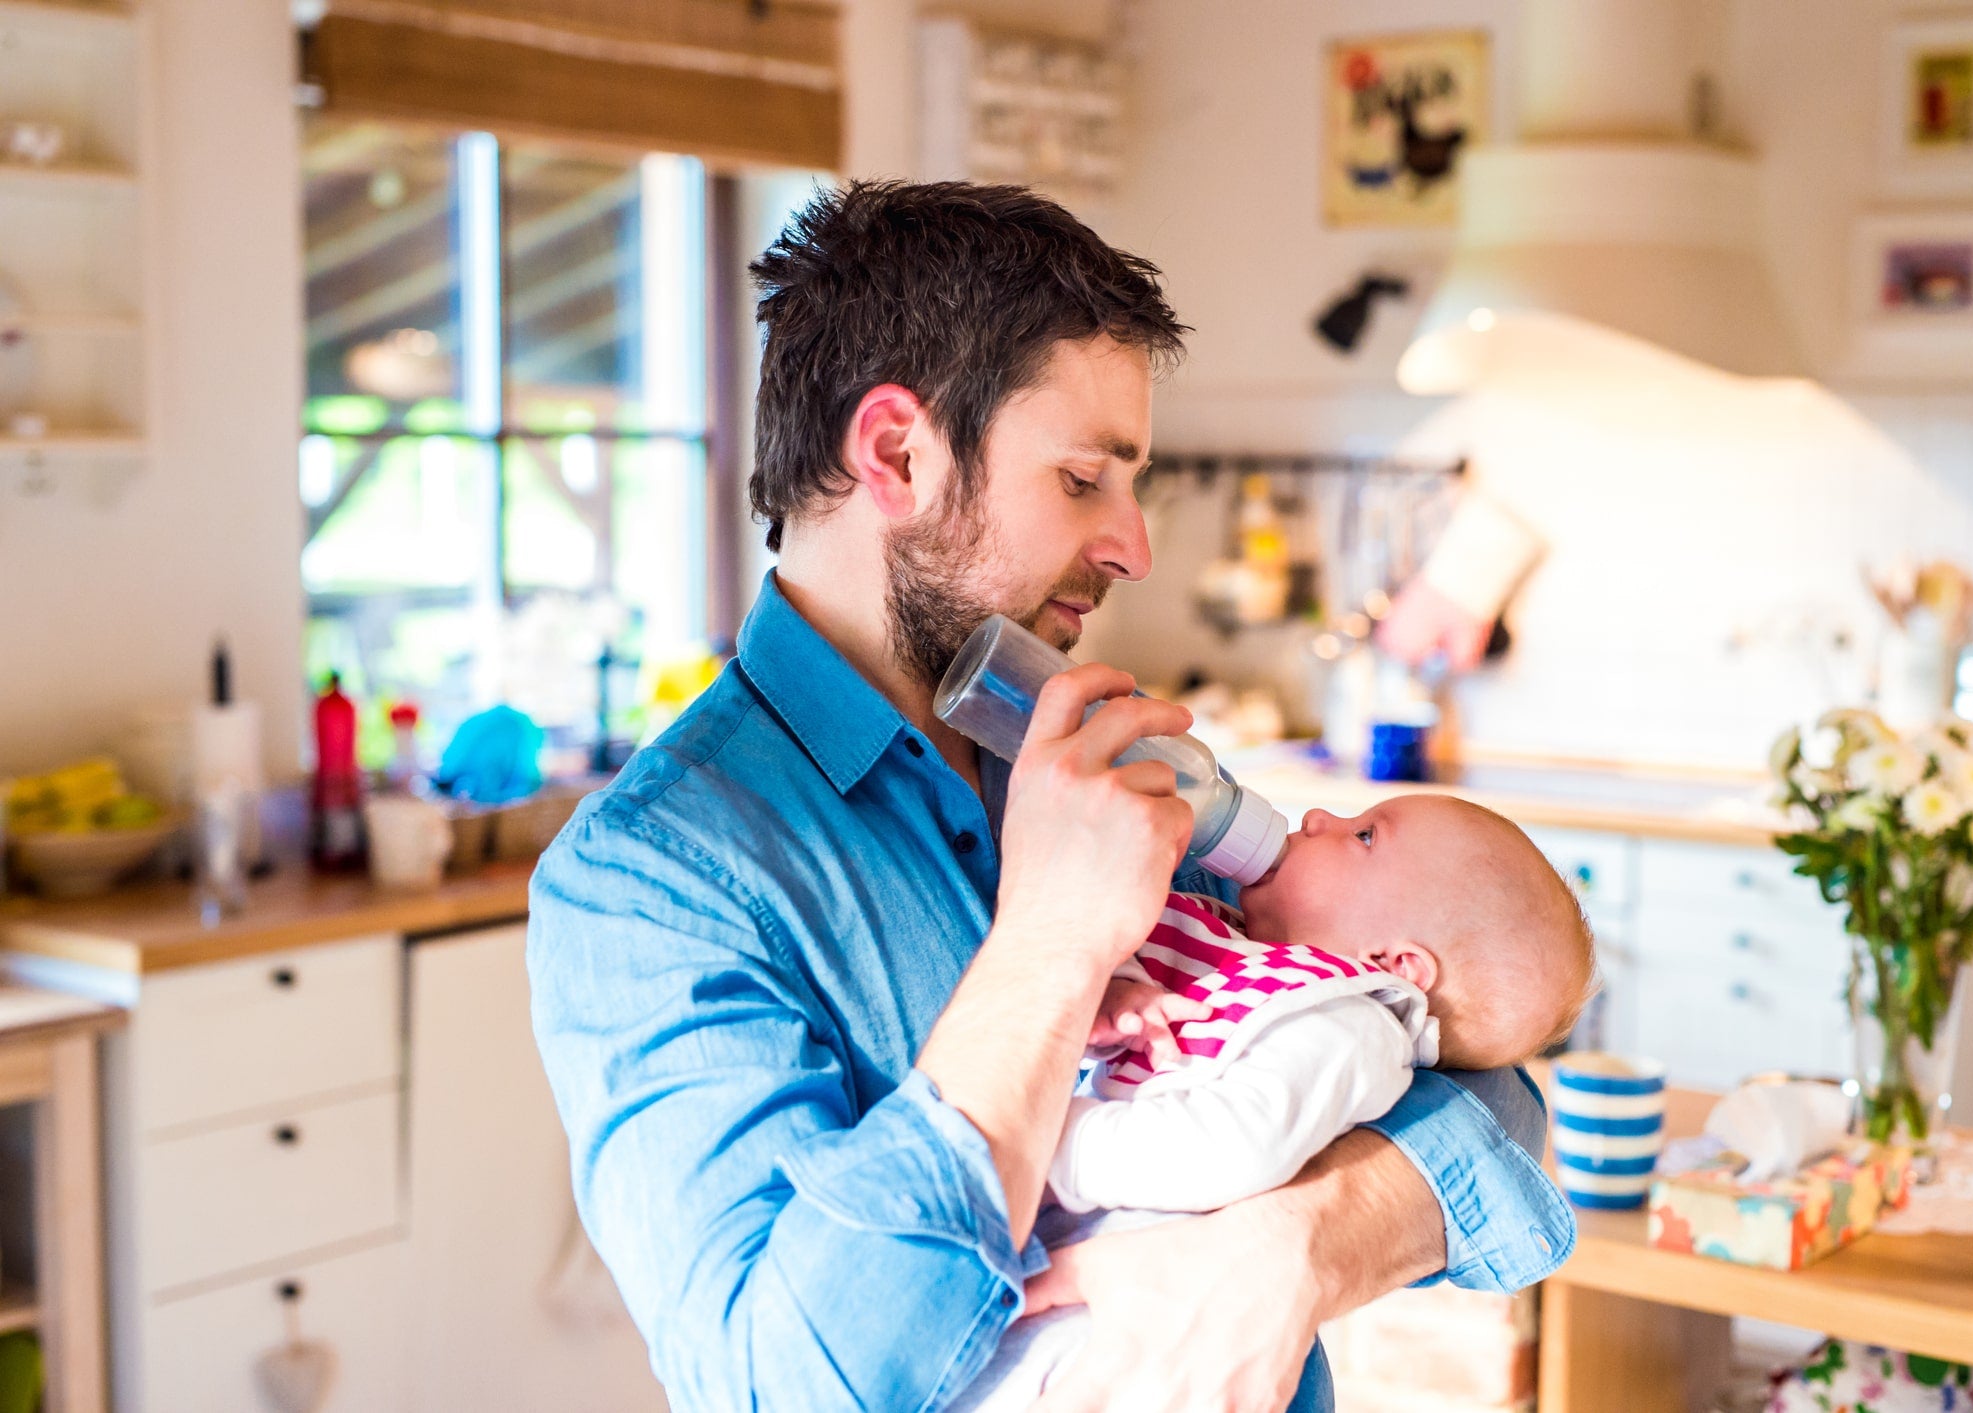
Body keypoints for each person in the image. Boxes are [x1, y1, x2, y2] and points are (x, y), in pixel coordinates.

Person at [527, 180, 1575, 1413]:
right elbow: (781, 1383)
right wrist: (1050, 947)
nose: (1133, 545)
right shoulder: (653, 879)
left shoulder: (1109, 757)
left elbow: (1471, 1056)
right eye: (1084, 479)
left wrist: (1297, 1249)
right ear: (895, 453)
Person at [955, 794, 1596, 1410]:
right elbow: (1149, 964)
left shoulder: (1344, 1029)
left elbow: (1224, 1149)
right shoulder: (1246, 951)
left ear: (1395, 963)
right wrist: (1121, 987)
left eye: (1364, 836)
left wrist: (1045, 1135)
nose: (1319, 817)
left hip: (1140, 1309)